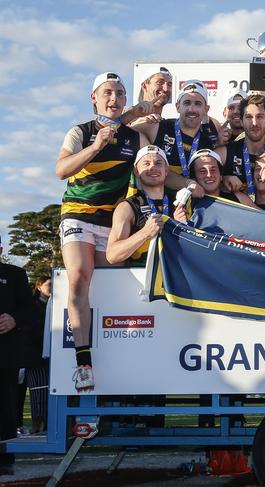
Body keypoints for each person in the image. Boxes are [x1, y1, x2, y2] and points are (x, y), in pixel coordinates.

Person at [55, 72, 149, 392]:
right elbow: (61, 170)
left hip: (111, 222)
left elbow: (155, 164)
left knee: (116, 284)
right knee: (80, 276)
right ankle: (83, 362)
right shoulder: (80, 131)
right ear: (93, 97)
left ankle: (121, 364)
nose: (114, 98)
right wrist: (95, 147)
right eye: (107, 92)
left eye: (120, 93)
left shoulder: (133, 137)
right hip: (78, 215)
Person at [0, 235, 33, 475]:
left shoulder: (15, 274)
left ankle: (4, 459)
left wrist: (14, 319)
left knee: (5, 405)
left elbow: (30, 308)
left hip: (6, 353)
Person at [106, 145, 170, 266]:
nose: (152, 167)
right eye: (146, 163)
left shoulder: (178, 204)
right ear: (136, 171)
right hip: (143, 279)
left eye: (158, 163)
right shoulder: (127, 207)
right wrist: (145, 232)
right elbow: (112, 255)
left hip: (175, 279)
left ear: (166, 170)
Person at [19, 276, 51, 435]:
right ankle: (37, 426)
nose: (52, 287)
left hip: (51, 357)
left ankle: (49, 425)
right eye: (48, 285)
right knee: (38, 392)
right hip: (35, 357)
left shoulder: (55, 305)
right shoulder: (32, 306)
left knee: (50, 393)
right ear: (39, 287)